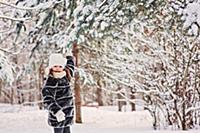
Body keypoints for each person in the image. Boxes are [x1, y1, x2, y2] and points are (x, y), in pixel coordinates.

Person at [42, 52, 75, 133]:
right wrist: (57, 112)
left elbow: (71, 68)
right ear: (51, 67)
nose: (58, 68)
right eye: (55, 66)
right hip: (58, 115)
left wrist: (69, 57)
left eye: (60, 66)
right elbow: (47, 99)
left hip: (67, 114)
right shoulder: (50, 81)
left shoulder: (65, 76)